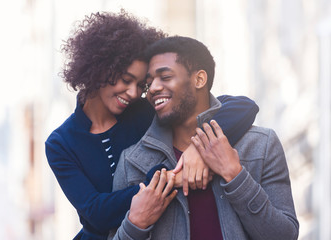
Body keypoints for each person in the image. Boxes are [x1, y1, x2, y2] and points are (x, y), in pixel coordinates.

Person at [45, 10, 259, 240]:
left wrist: (199, 147)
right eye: (126, 80)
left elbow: (242, 107)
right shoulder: (61, 143)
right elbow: (96, 214)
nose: (133, 93)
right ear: (99, 68)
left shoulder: (146, 111)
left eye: (141, 85)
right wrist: (168, 180)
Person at [110, 36, 299, 240]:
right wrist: (135, 225)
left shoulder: (261, 145)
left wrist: (235, 175)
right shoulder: (132, 163)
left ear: (199, 79)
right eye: (149, 83)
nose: (153, 88)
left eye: (165, 77)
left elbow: (285, 236)